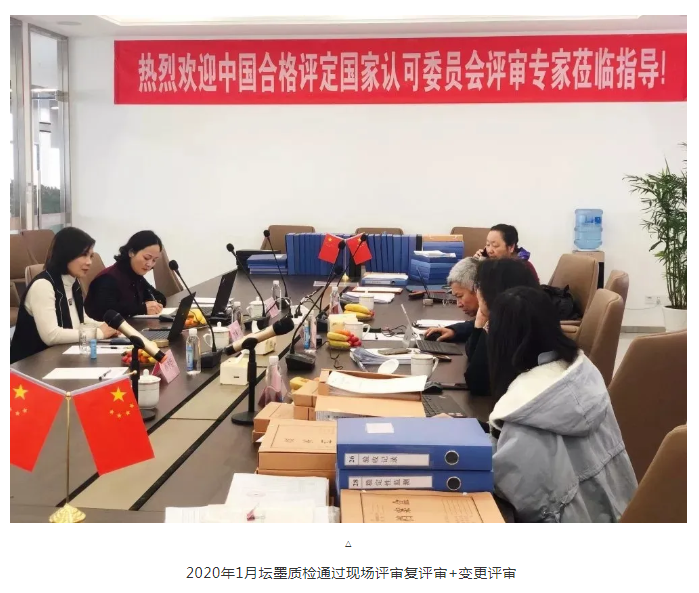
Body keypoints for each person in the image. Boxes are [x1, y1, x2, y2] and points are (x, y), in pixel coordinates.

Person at [486, 286, 637, 522]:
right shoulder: (583, 373)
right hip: (619, 513)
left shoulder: (524, 412)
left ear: (501, 339)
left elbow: (515, 496)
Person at [10, 227, 117, 363]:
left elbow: (82, 320)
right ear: (66, 254)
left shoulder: (73, 282)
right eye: (83, 255)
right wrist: (98, 333)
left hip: (59, 357)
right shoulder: (43, 285)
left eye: (91, 256)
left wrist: (109, 327)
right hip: (31, 364)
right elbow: (51, 335)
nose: (89, 262)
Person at [85, 230, 167, 321]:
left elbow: (158, 296)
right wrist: (142, 308)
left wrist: (156, 305)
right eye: (146, 258)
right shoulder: (108, 278)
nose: (149, 264)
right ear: (131, 252)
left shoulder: (135, 274)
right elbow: (103, 310)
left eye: (154, 260)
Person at [424, 257, 479, 343]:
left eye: (460, 296)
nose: (458, 304)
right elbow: (475, 324)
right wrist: (453, 331)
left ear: (477, 290)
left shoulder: (500, 319)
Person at [473, 224, 539, 283]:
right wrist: (476, 264)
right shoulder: (488, 262)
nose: (489, 251)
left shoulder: (525, 268)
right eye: (488, 244)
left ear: (511, 247)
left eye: (495, 245)